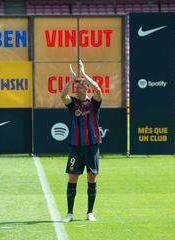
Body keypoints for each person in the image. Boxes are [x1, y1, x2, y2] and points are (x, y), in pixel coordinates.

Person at [60, 59, 102, 222]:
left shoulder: (93, 103)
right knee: (72, 177)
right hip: (76, 147)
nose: (77, 90)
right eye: (76, 88)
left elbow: (98, 89)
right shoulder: (73, 103)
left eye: (79, 87)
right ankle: (69, 213)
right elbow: (63, 96)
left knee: (92, 177)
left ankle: (89, 212)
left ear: (86, 89)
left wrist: (84, 74)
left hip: (91, 147)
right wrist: (71, 79)